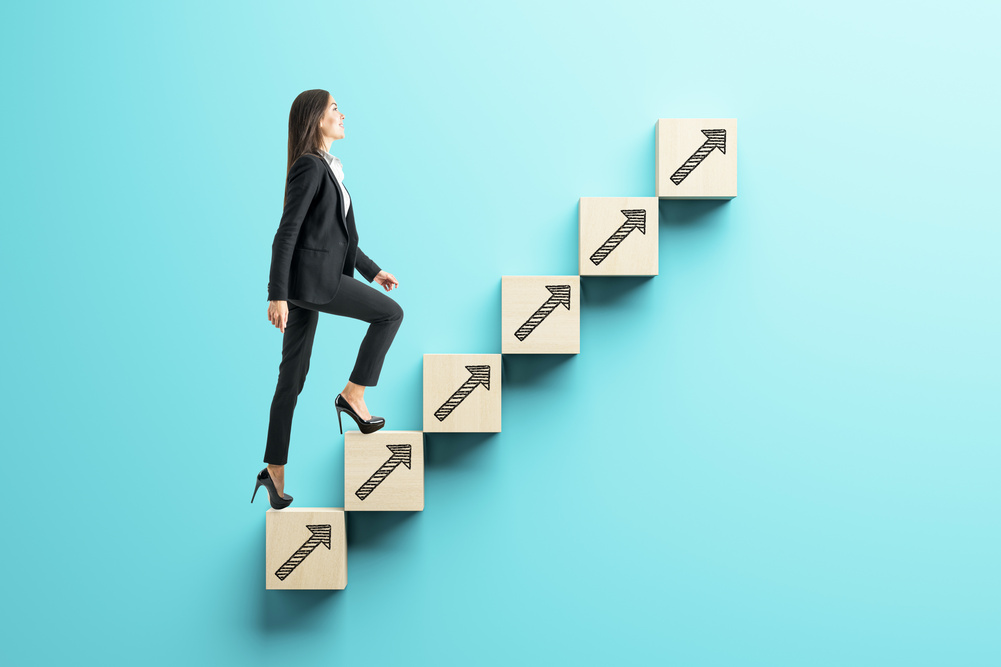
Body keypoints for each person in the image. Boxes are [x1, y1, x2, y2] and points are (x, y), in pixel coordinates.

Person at [252, 89, 404, 510]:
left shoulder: (329, 169)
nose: (342, 114)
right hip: (312, 282)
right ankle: (352, 396)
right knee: (390, 315)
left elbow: (338, 242)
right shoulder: (309, 166)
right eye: (335, 108)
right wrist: (276, 294)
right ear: (316, 118)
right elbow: (287, 232)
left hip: (311, 281)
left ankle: (274, 471)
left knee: (291, 379)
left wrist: (373, 271)